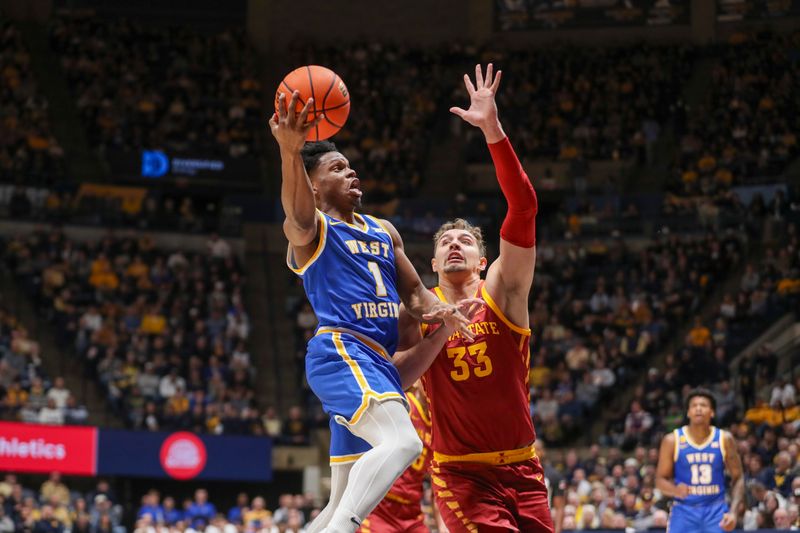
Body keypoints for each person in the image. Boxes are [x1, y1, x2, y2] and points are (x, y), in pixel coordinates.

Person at [270, 86, 477, 533]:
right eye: (337, 168)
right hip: (342, 352)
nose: (352, 172)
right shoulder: (313, 231)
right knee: (403, 443)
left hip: (376, 365)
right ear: (313, 184)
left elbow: (417, 298)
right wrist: (291, 152)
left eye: (350, 165)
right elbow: (296, 215)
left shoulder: (384, 231)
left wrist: (442, 314)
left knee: (339, 497)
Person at [394, 64, 553, 532]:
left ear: (484, 260)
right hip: (461, 472)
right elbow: (400, 376)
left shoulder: (504, 289)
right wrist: (441, 326)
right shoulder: (416, 309)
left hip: (524, 467)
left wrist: (492, 130)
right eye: (445, 242)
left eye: (465, 240)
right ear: (434, 265)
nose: (455, 243)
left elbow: (523, 207)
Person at [656, 388, 745, 533]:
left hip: (716, 511)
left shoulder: (724, 439)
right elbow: (660, 480)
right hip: (683, 511)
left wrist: (734, 512)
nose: (698, 409)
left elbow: (739, 477)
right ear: (688, 412)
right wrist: (675, 490)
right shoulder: (672, 440)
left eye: (703, 405)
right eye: (694, 405)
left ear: (712, 412)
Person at [358, 382, 433, 533]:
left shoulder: (437, 426)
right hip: (381, 505)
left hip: (412, 510)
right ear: (419, 384)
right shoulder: (404, 403)